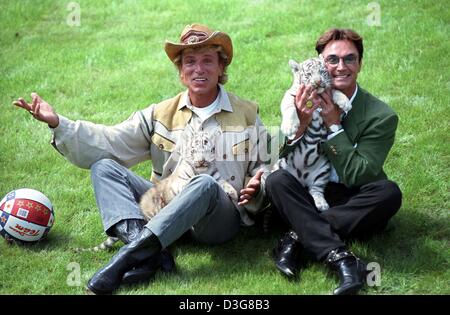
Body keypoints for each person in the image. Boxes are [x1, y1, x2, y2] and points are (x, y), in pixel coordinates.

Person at [13, 23, 268, 294]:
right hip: (166, 207)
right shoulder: (160, 113)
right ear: (181, 72)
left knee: (204, 184)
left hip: (217, 219)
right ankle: (150, 252)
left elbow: (267, 167)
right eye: (190, 62)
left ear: (221, 67)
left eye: (208, 61)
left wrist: (257, 186)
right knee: (104, 168)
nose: (199, 69)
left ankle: (127, 258)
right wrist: (58, 123)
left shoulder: (246, 114)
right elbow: (110, 141)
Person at [263, 28, 402, 295]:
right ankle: (344, 260)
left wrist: (334, 125)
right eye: (332, 60)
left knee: (389, 193)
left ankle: (296, 237)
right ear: (319, 63)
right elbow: (282, 157)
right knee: (277, 180)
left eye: (350, 59)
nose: (340, 67)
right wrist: (301, 125)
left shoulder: (381, 115)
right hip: (309, 189)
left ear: (360, 64)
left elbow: (360, 174)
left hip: (348, 194)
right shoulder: (300, 98)